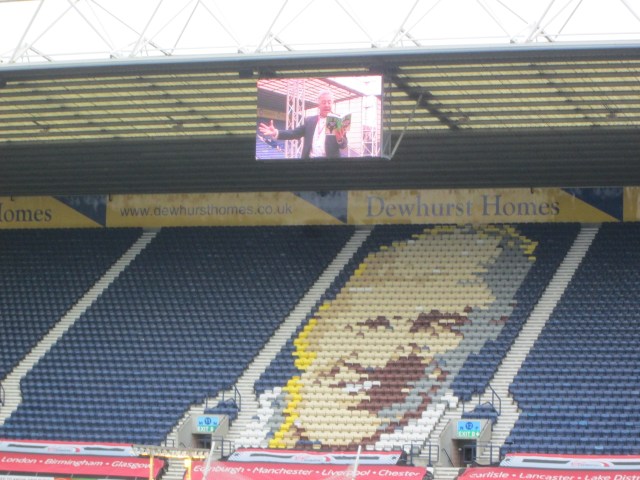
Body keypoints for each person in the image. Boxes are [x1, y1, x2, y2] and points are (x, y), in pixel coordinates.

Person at [249, 224, 537, 450]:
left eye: (432, 326)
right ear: (328, 319)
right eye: (374, 322)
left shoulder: (437, 426)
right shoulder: (260, 415)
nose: (381, 357)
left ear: (489, 333)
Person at [258, 90, 348, 159]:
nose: (327, 105)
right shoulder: (309, 121)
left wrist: (340, 139)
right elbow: (294, 133)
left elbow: (343, 145)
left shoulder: (337, 121)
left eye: (329, 102)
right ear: (319, 105)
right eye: (324, 102)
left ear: (332, 103)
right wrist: (276, 132)